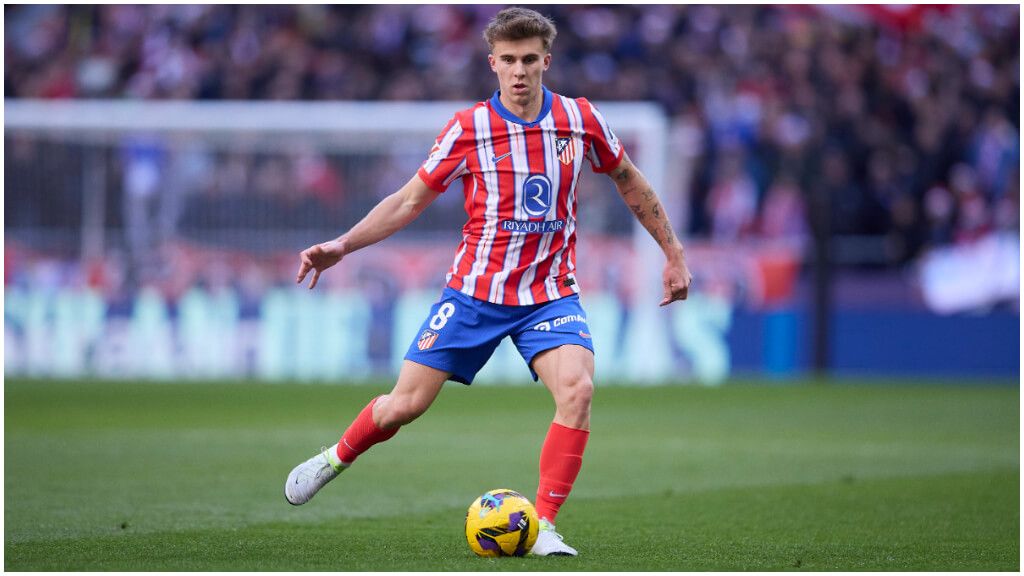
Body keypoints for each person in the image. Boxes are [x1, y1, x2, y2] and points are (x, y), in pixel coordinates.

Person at [284, 7, 692, 557]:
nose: (519, 71)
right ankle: (336, 456)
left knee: (579, 390)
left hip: (549, 294)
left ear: (546, 60)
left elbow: (629, 180)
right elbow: (407, 201)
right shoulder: (469, 129)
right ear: (492, 64)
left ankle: (543, 525)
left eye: (529, 60)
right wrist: (342, 245)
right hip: (474, 294)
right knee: (402, 406)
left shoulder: (580, 119)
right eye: (508, 61)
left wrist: (673, 252)